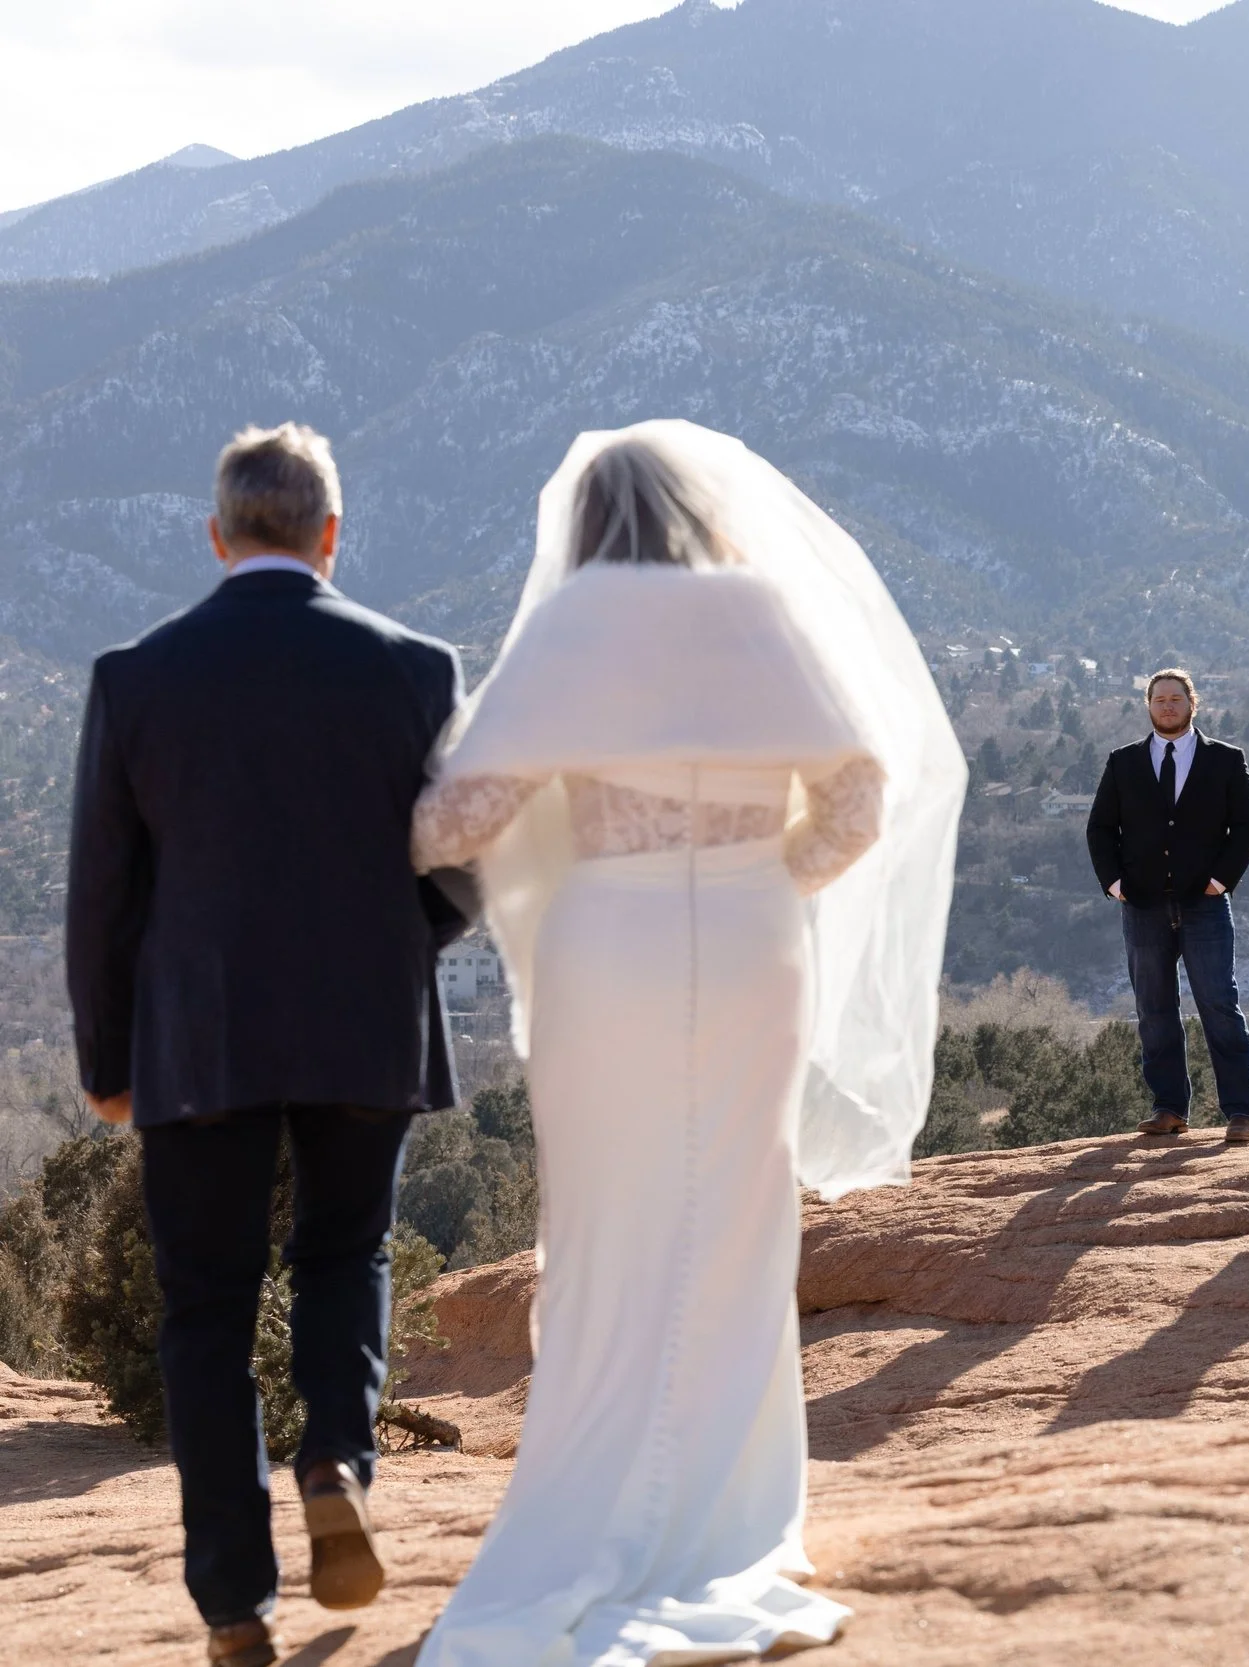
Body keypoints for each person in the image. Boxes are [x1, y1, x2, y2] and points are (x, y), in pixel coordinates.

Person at [407, 422, 965, 1666]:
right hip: (757, 939)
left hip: (613, 946)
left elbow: (461, 821)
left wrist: (385, 799)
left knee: (613, 1219)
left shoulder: (577, 623)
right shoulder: (763, 612)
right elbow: (864, 798)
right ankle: (731, 1511)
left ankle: (600, 1500)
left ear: (587, 520)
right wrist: (770, 874)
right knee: (737, 1209)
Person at [65, 424, 474, 1667]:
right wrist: (395, 948)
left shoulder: (137, 676)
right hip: (364, 1017)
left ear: (219, 534)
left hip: (198, 1038)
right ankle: (337, 1457)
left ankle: (235, 1606)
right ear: (331, 534)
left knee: (205, 1311)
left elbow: (104, 894)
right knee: (345, 1253)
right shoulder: (415, 667)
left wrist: (106, 1060)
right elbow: (462, 861)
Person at [1085, 668, 1249, 1143]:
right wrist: (1114, 884)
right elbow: (1101, 828)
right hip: (1142, 906)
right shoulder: (1123, 762)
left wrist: (1221, 879)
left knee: (1219, 1004)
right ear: (1148, 705)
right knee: (1154, 1009)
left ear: (1192, 704)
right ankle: (1168, 1108)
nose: (1167, 706)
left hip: (1204, 905)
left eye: (1175, 699)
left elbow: (1248, 826)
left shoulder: (1225, 760)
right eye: (1159, 699)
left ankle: (1241, 1111)